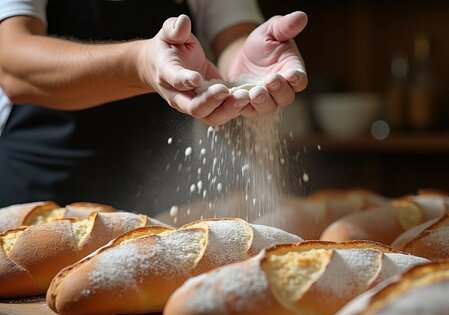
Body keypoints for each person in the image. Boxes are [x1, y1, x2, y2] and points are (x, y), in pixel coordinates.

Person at [0, 0, 308, 215]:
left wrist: (249, 69)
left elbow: (235, 37)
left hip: (159, 204)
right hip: (36, 203)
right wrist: (140, 62)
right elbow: (12, 65)